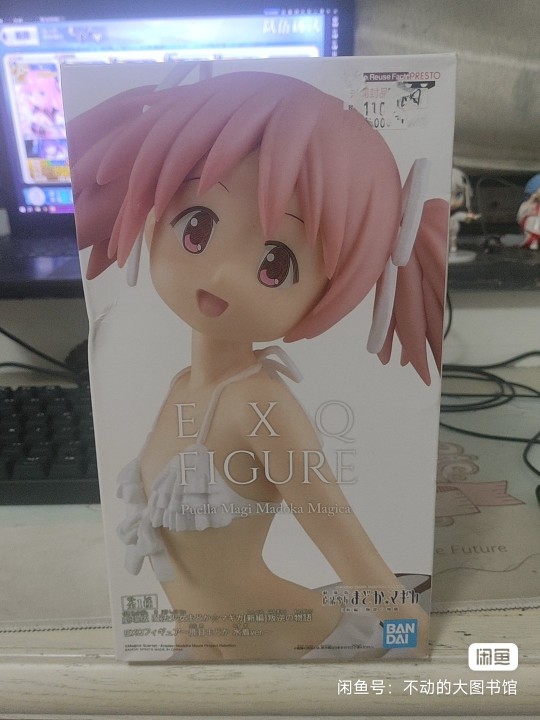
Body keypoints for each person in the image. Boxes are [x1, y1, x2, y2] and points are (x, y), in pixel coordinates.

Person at [68, 66, 448, 660]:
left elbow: (344, 542)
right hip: (200, 651)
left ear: (328, 290)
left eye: (275, 264)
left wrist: (409, 645)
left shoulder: (258, 403)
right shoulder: (182, 387)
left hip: (289, 645)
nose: (221, 274)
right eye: (197, 227)